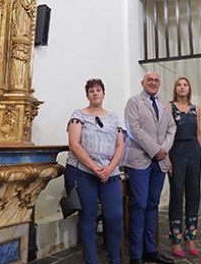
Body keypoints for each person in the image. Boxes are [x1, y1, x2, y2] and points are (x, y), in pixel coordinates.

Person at [65, 78, 125, 264]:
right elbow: (74, 144)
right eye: (91, 90)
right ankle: (91, 261)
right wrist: (94, 167)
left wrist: (109, 168)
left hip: (110, 173)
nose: (95, 93)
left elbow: (120, 145)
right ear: (87, 95)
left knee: (115, 217)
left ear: (104, 93)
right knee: (88, 217)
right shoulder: (78, 115)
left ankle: (114, 259)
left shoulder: (113, 118)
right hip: (85, 173)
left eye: (98, 90)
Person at [124, 71, 176, 264]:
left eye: (156, 80)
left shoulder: (164, 105)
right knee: (139, 206)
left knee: (153, 205)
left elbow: (172, 129)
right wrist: (155, 149)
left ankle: (150, 250)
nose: (153, 83)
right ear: (142, 82)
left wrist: (163, 150)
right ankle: (136, 256)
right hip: (140, 161)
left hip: (159, 162)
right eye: (150, 80)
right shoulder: (134, 102)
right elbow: (133, 129)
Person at [167, 77, 201, 258]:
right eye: (179, 84)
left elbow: (198, 135)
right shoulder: (169, 107)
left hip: (193, 152)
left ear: (189, 89)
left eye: (185, 84)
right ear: (175, 89)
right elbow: (165, 134)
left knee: (194, 194)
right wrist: (167, 158)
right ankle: (176, 240)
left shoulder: (196, 109)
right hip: (176, 152)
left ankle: (190, 237)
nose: (182, 87)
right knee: (177, 194)